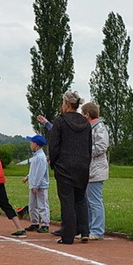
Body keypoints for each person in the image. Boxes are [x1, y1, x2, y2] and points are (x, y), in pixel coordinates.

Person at [48, 91, 92, 244]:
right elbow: (89, 146)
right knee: (80, 199)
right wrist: (86, 163)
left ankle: (68, 236)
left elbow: (53, 146)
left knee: (67, 200)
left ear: (66, 104)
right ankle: (84, 231)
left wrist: (53, 163)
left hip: (65, 166)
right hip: (82, 166)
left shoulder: (60, 121)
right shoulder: (86, 122)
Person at [83, 102, 110, 240]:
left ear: (87, 115)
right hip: (89, 169)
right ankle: (87, 228)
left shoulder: (99, 127)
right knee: (87, 201)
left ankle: (98, 230)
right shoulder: (89, 127)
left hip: (96, 169)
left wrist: (84, 152)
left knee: (95, 201)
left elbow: (101, 147)